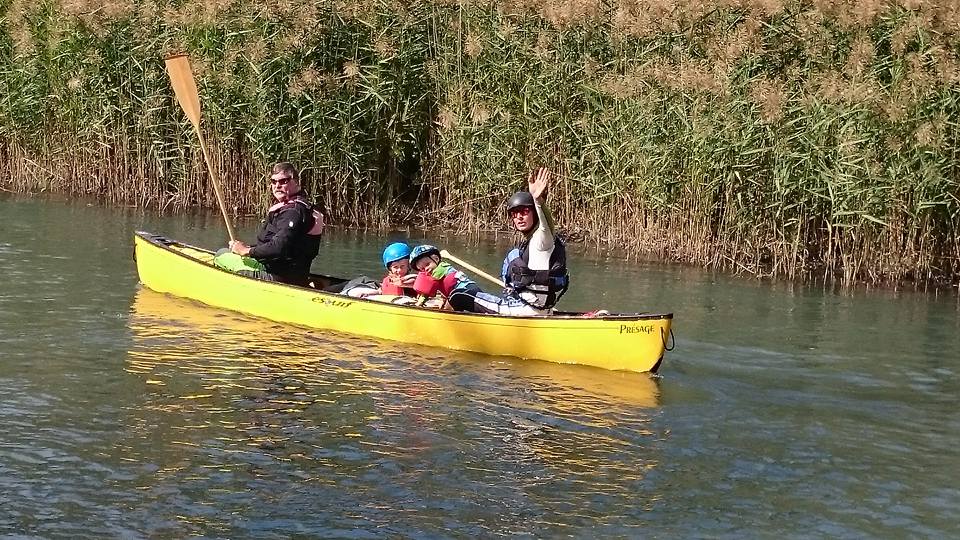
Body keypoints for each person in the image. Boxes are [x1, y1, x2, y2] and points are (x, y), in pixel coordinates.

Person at [214, 162, 324, 286]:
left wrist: (247, 251)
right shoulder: (301, 207)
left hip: (278, 277)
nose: (277, 186)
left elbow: (278, 247)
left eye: (283, 181)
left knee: (221, 255)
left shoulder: (293, 212)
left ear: (296, 182)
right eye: (273, 182)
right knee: (226, 252)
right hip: (290, 274)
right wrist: (246, 248)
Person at [500, 167, 569, 314]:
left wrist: (538, 202)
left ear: (534, 214)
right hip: (536, 309)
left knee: (462, 295)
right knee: (514, 254)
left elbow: (548, 227)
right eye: (514, 213)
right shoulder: (528, 242)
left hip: (527, 311)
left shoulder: (541, 240)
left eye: (524, 212)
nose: (519, 217)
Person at [409, 245, 507, 313]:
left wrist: (419, 303)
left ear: (436, 259)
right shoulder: (436, 272)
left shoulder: (440, 269)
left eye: (427, 264)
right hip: (465, 293)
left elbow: (426, 290)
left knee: (449, 307)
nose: (426, 269)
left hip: (466, 292)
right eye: (422, 269)